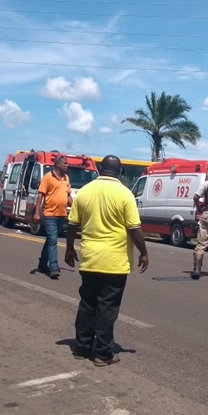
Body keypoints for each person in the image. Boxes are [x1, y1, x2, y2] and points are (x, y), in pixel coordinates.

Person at [65, 155, 149, 367]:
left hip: (90, 259)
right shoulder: (125, 194)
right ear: (119, 172)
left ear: (100, 169)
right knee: (107, 308)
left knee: (87, 304)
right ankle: (102, 353)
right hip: (114, 262)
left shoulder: (84, 192)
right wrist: (143, 252)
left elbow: (73, 224)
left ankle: (82, 348)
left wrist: (68, 249)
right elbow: (134, 228)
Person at [33, 155, 72, 279]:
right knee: (53, 240)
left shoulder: (66, 178)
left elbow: (68, 196)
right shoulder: (48, 177)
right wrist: (37, 212)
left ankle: (42, 264)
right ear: (58, 164)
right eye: (65, 163)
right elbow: (40, 195)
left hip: (61, 214)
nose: (68, 165)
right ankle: (54, 267)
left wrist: (76, 208)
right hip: (50, 214)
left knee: (50, 239)